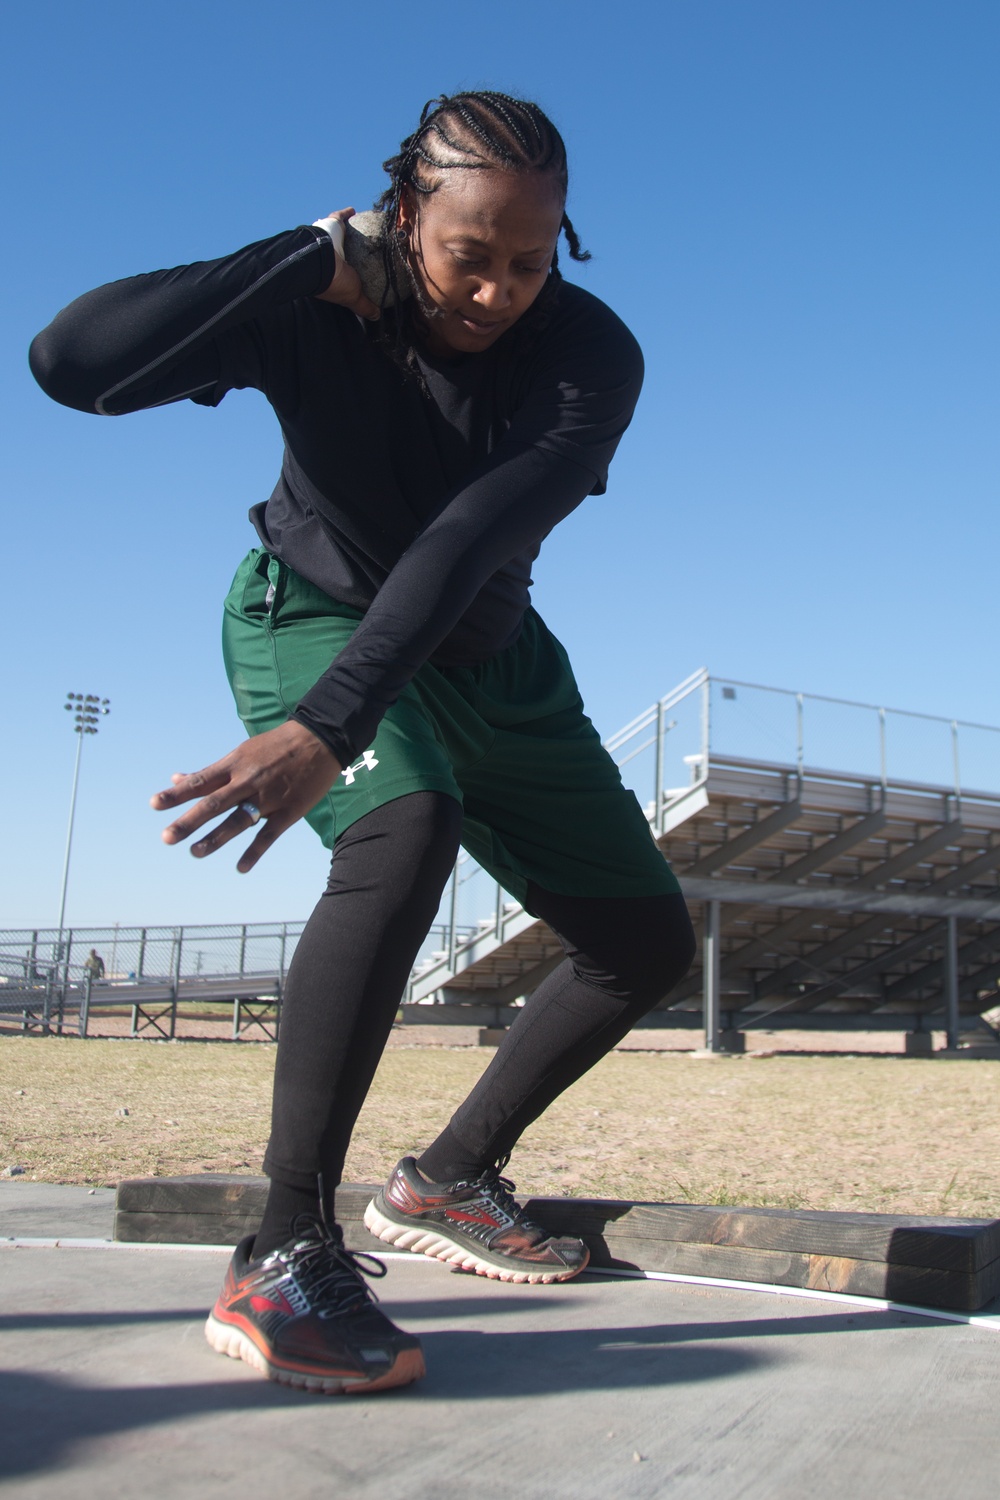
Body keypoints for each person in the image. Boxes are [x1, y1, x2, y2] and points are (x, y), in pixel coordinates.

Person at [30, 91, 695, 1396]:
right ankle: (281, 1251)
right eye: (470, 255)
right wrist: (295, 260)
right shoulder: (316, 307)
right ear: (404, 221)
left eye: (532, 257)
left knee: (644, 943)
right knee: (408, 829)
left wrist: (334, 728)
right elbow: (74, 367)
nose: (501, 289)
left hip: (491, 652)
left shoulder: (592, 358)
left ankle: (447, 1181)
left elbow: (466, 539)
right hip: (314, 613)